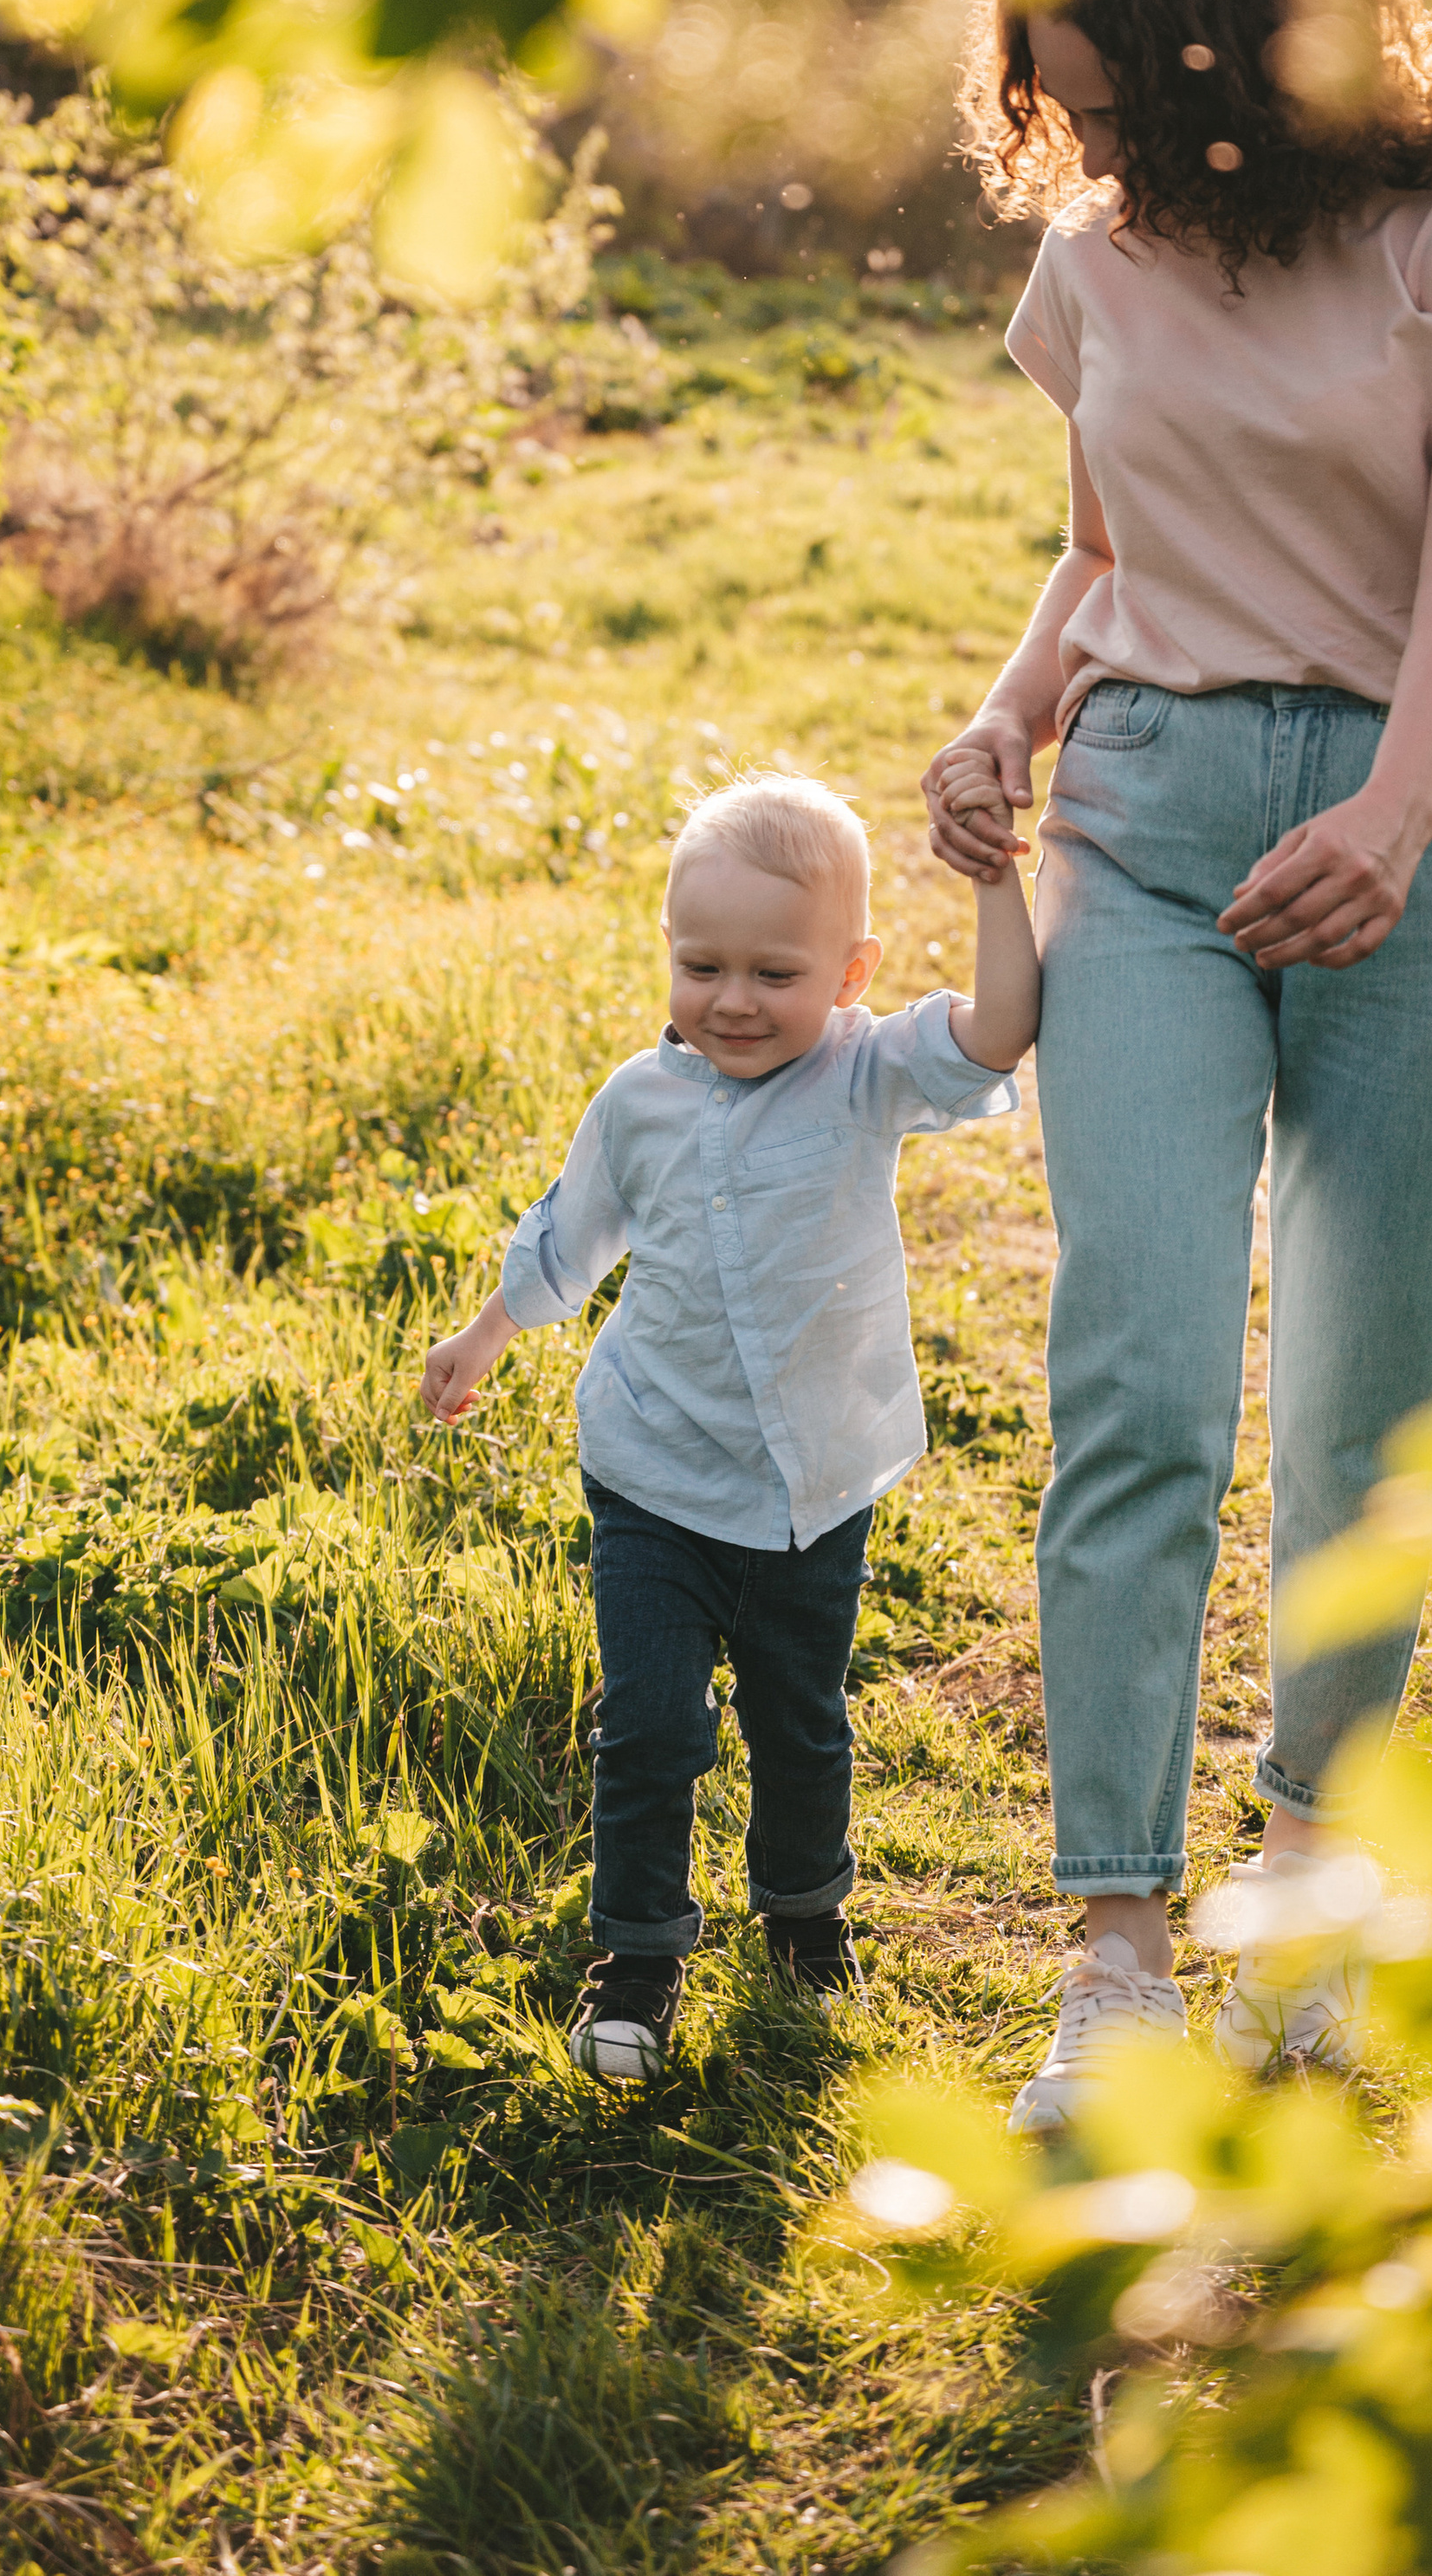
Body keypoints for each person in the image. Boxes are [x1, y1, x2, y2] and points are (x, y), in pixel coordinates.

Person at [923, 0, 1432, 2131]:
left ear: (1236, 50)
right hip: (1144, 817)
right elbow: (1101, 546)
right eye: (1059, 114)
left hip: (1424, 825)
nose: (1089, 152)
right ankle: (1116, 1944)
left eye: (1117, 103)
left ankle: (1310, 1883)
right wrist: (1012, 713)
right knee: (1134, 1366)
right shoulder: (1094, 265)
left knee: (1359, 1393)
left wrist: (1401, 819)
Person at [421, 770, 1040, 2081]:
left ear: (851, 970)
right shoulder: (638, 1101)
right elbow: (571, 1232)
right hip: (651, 1466)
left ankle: (806, 1924)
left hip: (813, 1479)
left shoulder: (867, 1075)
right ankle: (636, 1960)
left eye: (775, 972)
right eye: (702, 966)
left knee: (799, 1719)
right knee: (649, 1723)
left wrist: (996, 878)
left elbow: (995, 1034)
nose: (734, 1002)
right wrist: (484, 1335)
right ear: (667, 954)